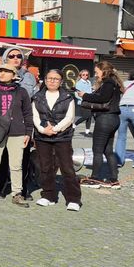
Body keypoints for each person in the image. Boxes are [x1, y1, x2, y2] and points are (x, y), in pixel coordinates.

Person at [0, 47, 37, 200]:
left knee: (16, 166)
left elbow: (28, 113)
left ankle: (17, 193)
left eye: (6, 71)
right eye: (0, 71)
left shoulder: (22, 92)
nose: (2, 74)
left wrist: (28, 133)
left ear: (14, 75)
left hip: (17, 132)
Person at [32, 69, 81, 211]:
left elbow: (69, 117)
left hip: (62, 136)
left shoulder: (67, 97)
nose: (52, 81)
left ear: (61, 81)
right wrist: (43, 130)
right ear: (45, 80)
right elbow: (35, 116)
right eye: (49, 78)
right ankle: (48, 195)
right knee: (45, 167)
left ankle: (73, 199)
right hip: (42, 137)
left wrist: (55, 129)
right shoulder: (37, 97)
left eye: (56, 79)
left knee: (67, 168)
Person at [78, 61, 123, 187]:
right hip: (113, 119)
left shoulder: (108, 82)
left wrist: (85, 95)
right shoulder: (114, 82)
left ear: (104, 71)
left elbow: (103, 98)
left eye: (97, 71)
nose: (96, 74)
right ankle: (114, 180)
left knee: (97, 150)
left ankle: (94, 179)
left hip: (105, 119)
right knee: (108, 150)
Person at [73, 69, 94, 136]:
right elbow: (76, 94)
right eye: (83, 74)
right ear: (80, 75)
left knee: (89, 117)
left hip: (90, 102)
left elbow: (90, 92)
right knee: (86, 116)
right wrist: (83, 99)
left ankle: (87, 132)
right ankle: (74, 125)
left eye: (86, 75)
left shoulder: (89, 82)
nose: (85, 76)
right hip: (83, 102)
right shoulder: (79, 83)